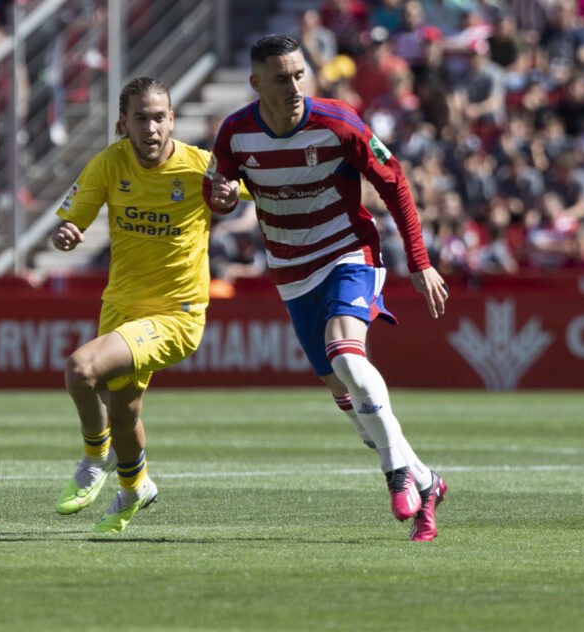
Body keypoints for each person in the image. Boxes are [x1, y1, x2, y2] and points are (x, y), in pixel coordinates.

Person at [204, 35, 450, 542]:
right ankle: (426, 479)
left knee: (346, 354)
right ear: (256, 85)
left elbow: (395, 183)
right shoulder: (234, 133)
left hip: (347, 251)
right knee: (350, 399)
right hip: (291, 271)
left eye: (299, 74)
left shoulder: (338, 121)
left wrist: (420, 263)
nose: (294, 86)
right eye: (281, 78)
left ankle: (396, 473)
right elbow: (218, 190)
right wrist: (222, 195)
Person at [51, 77, 214, 534]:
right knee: (124, 412)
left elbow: (257, 188)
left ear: (172, 120)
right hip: (120, 307)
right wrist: (64, 235)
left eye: (159, 117)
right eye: (140, 118)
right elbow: (69, 221)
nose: (151, 127)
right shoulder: (109, 163)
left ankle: (92, 455)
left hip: (176, 315)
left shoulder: (200, 167)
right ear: (123, 123)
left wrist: (230, 195)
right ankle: (135, 487)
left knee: (80, 369)